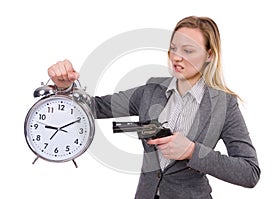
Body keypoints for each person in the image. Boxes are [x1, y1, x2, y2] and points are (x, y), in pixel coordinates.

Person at [48, 16, 260, 199]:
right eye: (174, 48)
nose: (176, 57)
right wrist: (66, 88)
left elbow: (250, 173)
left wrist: (192, 152)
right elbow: (94, 107)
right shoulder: (150, 91)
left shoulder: (224, 104)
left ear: (209, 55)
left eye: (188, 50)